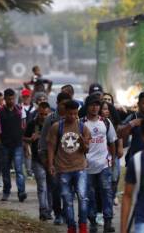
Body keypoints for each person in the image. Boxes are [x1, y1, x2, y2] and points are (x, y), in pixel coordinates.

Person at [47, 100, 91, 233]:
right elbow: (51, 147)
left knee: (83, 197)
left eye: (75, 113)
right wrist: (50, 164)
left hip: (80, 168)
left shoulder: (83, 127)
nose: (72, 116)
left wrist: (84, 143)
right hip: (63, 169)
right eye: (70, 113)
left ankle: (82, 225)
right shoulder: (57, 127)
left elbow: (86, 150)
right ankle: (71, 226)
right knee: (67, 200)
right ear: (65, 112)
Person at [83, 94, 117, 233]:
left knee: (107, 192)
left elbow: (112, 141)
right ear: (87, 106)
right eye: (92, 104)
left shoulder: (106, 122)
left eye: (97, 105)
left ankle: (108, 221)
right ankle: (92, 222)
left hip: (104, 164)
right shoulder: (81, 123)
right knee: (89, 194)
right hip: (87, 165)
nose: (95, 107)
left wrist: (113, 159)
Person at [39, 92, 72, 225]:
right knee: (56, 188)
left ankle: (66, 213)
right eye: (63, 104)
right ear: (58, 104)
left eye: (67, 104)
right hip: (54, 160)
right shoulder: (51, 119)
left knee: (68, 190)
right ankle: (58, 213)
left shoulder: (74, 118)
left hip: (70, 160)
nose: (65, 107)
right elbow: (43, 141)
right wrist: (45, 160)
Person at [0, 88, 27, 202]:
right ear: (5, 98)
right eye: (8, 99)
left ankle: (21, 192)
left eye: (12, 98)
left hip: (17, 144)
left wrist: (24, 143)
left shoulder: (21, 110)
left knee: (19, 169)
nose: (11, 100)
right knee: (5, 170)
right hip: (4, 145)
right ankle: (6, 192)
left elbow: (24, 127)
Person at [24, 102, 52, 221]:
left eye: (46, 114)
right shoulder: (32, 124)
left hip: (51, 160)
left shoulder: (53, 124)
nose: (43, 116)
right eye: (41, 114)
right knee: (42, 186)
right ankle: (43, 210)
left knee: (51, 186)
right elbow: (24, 137)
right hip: (37, 159)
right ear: (38, 112)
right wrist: (30, 139)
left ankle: (50, 210)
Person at [100, 101, 124, 207]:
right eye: (104, 109)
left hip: (111, 155)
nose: (107, 111)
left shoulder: (109, 122)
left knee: (114, 177)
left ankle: (111, 199)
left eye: (108, 109)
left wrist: (118, 149)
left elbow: (116, 137)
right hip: (99, 157)